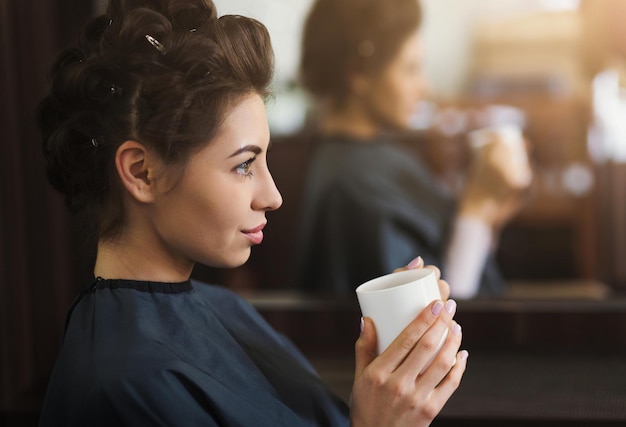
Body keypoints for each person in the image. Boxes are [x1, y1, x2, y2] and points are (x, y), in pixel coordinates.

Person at [36, 0, 467, 425]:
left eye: (264, 160)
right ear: (141, 172)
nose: (273, 195)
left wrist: (380, 394)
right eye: (244, 164)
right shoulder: (123, 387)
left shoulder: (226, 309)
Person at [295, 0, 531, 299]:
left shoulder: (369, 161)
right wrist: (476, 210)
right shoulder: (354, 186)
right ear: (359, 74)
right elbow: (425, 317)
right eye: (411, 69)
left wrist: (490, 212)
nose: (425, 88)